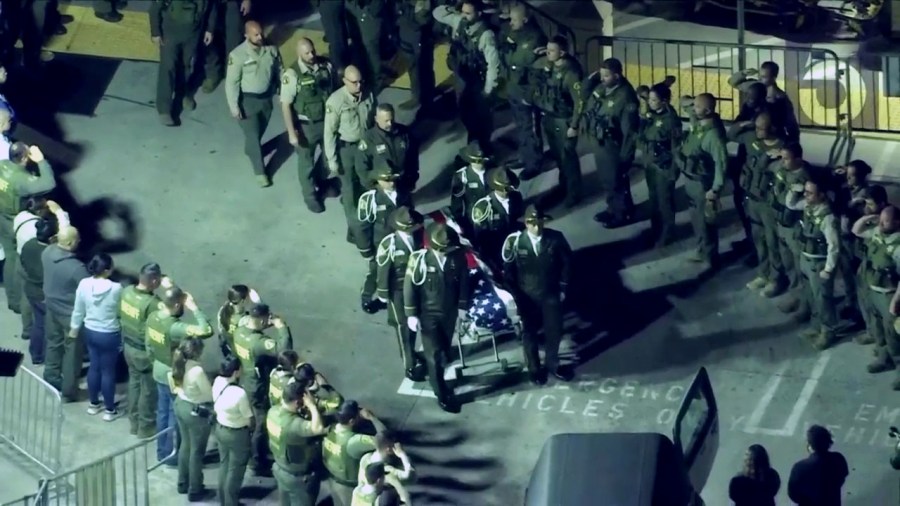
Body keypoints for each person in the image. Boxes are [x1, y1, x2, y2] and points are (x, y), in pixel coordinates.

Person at [501, 205, 573, 385]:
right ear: (526, 224)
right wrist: (515, 296)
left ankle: (553, 364)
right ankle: (534, 368)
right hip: (527, 296)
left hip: (551, 293)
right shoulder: (515, 243)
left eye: (540, 223)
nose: (537, 227)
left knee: (554, 331)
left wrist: (563, 287)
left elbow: (567, 263)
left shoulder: (555, 238)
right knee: (529, 334)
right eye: (532, 224)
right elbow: (508, 273)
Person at [403, 222, 471, 413]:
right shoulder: (419, 260)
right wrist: (411, 314)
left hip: (448, 314)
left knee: (444, 347)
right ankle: (441, 393)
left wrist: (462, 306)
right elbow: (410, 287)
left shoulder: (457, 257)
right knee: (435, 355)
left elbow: (464, 280)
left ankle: (425, 365)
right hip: (428, 315)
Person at [145, 284, 214, 465]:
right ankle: (172, 454)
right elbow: (206, 330)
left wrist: (155, 362)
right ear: (177, 305)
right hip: (172, 374)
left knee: (162, 411)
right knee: (173, 415)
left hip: (158, 369)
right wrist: (194, 308)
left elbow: (148, 345)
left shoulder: (153, 318)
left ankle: (162, 451)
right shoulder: (174, 327)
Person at [231, 303, 293, 476]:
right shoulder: (258, 342)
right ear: (262, 319)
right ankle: (257, 460)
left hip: (246, 380)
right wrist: (282, 328)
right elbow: (283, 350)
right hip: (257, 386)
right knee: (260, 422)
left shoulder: (239, 332)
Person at [728, 111, 786, 297]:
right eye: (758, 127)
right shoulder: (751, 137)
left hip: (768, 202)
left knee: (772, 242)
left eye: (763, 128)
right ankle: (763, 272)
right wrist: (746, 123)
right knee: (758, 239)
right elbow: (731, 134)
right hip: (752, 197)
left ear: (773, 128)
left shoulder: (782, 146)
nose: (759, 131)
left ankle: (776, 278)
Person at [578, 58, 640, 228]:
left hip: (613, 146)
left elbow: (630, 132)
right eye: (602, 74)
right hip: (600, 143)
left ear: (617, 76)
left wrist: (625, 156)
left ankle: (621, 214)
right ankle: (613, 208)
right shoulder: (602, 88)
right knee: (607, 180)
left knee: (615, 181)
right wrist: (591, 79)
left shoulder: (626, 98)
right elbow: (584, 95)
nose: (602, 78)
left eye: (606, 75)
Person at [433, 0, 500, 153]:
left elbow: (493, 64)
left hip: (478, 80)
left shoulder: (486, 35)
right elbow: (437, 13)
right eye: (463, 12)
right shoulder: (459, 21)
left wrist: (489, 90)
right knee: (465, 111)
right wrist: (453, 8)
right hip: (462, 76)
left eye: (468, 13)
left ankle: (483, 147)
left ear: (479, 14)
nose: (464, 16)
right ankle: (474, 142)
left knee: (481, 117)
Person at [280, 37, 338, 213]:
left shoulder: (326, 66)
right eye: (307, 53)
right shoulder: (292, 75)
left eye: (312, 51)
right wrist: (291, 132)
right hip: (307, 126)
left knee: (330, 156)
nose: (312, 55)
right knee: (306, 163)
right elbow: (286, 105)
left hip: (327, 122)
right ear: (299, 53)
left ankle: (321, 180)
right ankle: (310, 196)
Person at [0, 143, 56, 315]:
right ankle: (23, 304)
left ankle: (13, 299)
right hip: (15, 220)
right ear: (24, 157)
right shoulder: (21, 179)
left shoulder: (2, 166)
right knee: (20, 262)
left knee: (9, 258)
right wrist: (41, 161)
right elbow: (48, 183)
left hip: (2, 216)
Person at [225, 20, 282, 187]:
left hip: (266, 99)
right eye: (256, 34)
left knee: (259, 132)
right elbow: (232, 83)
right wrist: (234, 107)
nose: (260, 37)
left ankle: (251, 149)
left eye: (261, 33)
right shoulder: (238, 55)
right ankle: (260, 172)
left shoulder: (271, 49)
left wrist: (281, 90)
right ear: (246, 35)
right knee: (253, 135)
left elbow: (279, 69)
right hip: (247, 101)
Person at [324, 65, 377, 242]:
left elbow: (373, 120)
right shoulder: (336, 102)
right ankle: (354, 231)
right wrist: (332, 160)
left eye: (361, 81)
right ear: (345, 81)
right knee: (349, 191)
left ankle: (364, 220)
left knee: (366, 185)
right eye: (354, 82)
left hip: (366, 147)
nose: (359, 86)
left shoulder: (369, 94)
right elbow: (329, 132)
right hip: (347, 149)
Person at [786, 179, 841, 349]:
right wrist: (793, 190)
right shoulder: (809, 207)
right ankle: (816, 326)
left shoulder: (828, 218)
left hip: (819, 263)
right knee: (811, 296)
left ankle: (828, 331)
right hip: (806, 258)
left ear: (821, 195)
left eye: (810, 193)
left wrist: (828, 269)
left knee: (823, 299)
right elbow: (791, 204)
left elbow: (834, 246)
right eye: (806, 192)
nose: (806, 195)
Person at [676, 93, 728, 268]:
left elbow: (721, 163)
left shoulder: (713, 135)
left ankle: (710, 257)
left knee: (706, 221)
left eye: (698, 106)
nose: (694, 109)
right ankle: (702, 250)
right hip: (691, 179)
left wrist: (715, 189)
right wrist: (694, 102)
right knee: (696, 219)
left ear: (708, 110)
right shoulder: (700, 123)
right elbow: (683, 101)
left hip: (702, 184)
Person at [529, 36, 582, 204]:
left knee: (568, 159)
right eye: (547, 49)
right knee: (558, 157)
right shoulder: (549, 64)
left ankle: (573, 193)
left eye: (551, 50)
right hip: (550, 117)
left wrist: (574, 126)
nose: (547, 53)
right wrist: (536, 54)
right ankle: (563, 186)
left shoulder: (571, 73)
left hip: (563, 120)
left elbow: (579, 102)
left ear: (563, 52)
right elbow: (531, 67)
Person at [70, 253, 123, 420]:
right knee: (108, 371)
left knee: (94, 367)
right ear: (107, 270)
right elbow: (120, 311)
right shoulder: (116, 288)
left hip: (90, 331)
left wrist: (74, 328)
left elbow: (78, 309)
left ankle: (93, 404)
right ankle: (109, 410)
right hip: (109, 333)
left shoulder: (84, 284)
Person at [375, 207, 426, 380]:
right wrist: (383, 294)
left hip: (417, 288)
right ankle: (409, 365)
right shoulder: (389, 244)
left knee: (418, 323)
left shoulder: (420, 236)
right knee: (403, 327)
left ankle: (413, 353)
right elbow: (383, 271)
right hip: (397, 292)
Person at [356, 161, 412, 314]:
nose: (391, 183)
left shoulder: (404, 193)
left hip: (401, 239)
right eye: (386, 180)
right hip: (379, 243)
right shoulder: (371, 199)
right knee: (376, 272)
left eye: (393, 179)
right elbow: (362, 227)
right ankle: (367, 296)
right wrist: (366, 249)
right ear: (378, 180)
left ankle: (389, 296)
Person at [150, 0, 218, 126]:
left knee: (186, 65)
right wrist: (155, 31)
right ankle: (164, 109)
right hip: (170, 32)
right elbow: (155, 7)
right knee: (168, 67)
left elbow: (211, 7)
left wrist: (210, 29)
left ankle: (182, 95)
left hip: (193, 32)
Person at [853, 205, 900, 386]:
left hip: (889, 294)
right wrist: (869, 218)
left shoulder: (897, 247)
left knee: (894, 335)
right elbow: (856, 230)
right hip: (873, 290)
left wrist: (895, 302)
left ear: (897, 223)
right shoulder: (877, 234)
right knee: (877, 328)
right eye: (880, 220)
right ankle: (883, 357)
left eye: (885, 221)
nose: (880, 224)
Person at [14, 198, 69, 352]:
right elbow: (67, 234)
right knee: (50, 325)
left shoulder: (21, 220)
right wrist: (59, 213)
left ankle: (32, 342)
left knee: (36, 318)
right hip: (44, 289)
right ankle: (52, 351)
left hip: (28, 274)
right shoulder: (50, 253)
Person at [41, 226, 89, 402]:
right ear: (70, 243)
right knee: (72, 353)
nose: (79, 242)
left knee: (54, 343)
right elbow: (87, 289)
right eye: (77, 239)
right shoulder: (76, 268)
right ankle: (69, 390)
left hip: (51, 308)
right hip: (70, 315)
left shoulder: (47, 252)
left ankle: (51, 376)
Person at [498, 2, 545, 177]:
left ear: (525, 20)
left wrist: (508, 51)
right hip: (514, 87)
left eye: (514, 19)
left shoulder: (534, 37)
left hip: (527, 91)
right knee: (520, 126)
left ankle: (534, 162)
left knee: (530, 127)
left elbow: (517, 60)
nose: (511, 23)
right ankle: (524, 156)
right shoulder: (515, 32)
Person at [119, 262, 164, 438]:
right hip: (144, 354)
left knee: (134, 384)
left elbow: (118, 315)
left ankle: (134, 422)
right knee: (148, 391)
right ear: (153, 281)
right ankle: (145, 427)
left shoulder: (126, 292)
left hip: (128, 347)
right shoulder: (152, 303)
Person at [267, 379, 329, 506]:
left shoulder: (272, 412)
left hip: (280, 468)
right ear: (297, 402)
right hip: (297, 477)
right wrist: (311, 406)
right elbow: (318, 428)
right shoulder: (294, 425)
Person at [636, 82, 682, 246]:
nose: (650, 102)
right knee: (653, 200)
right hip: (650, 164)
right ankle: (656, 230)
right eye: (650, 99)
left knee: (664, 201)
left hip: (664, 167)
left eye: (654, 100)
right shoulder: (651, 115)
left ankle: (667, 233)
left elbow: (676, 147)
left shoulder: (671, 120)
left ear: (664, 101)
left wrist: (673, 171)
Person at [170, 338, 215, 501]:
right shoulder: (197, 371)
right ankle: (195, 489)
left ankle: (182, 483)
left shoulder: (178, 363)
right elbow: (209, 394)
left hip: (180, 404)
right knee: (197, 452)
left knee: (185, 446)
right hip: (195, 411)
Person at [324, 400, 387, 506]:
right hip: (348, 485)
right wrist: (372, 418)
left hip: (333, 478)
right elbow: (384, 439)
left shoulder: (330, 428)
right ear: (351, 421)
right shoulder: (354, 441)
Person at [212, 356, 253, 506]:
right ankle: (231, 502)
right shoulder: (239, 393)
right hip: (237, 434)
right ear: (236, 372)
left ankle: (223, 499)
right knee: (235, 470)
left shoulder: (217, 382)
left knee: (224, 464)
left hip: (220, 428)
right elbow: (248, 417)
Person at [729, 61, 800, 143]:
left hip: (769, 138)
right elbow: (733, 82)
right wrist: (744, 73)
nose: (760, 79)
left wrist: (793, 146)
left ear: (773, 77)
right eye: (760, 76)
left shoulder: (780, 98)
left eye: (764, 77)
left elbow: (791, 125)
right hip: (749, 135)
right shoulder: (754, 86)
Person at [356, 103, 419, 192]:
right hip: (381, 187)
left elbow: (413, 157)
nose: (390, 124)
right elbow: (361, 169)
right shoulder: (369, 139)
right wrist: (378, 181)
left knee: (405, 205)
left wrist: (412, 179)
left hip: (403, 183)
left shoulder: (404, 133)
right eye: (386, 121)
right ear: (376, 119)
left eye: (392, 120)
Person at [471, 166, 523, 272]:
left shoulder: (516, 197)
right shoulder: (483, 208)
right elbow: (481, 239)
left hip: (513, 244)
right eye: (507, 188)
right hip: (496, 248)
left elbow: (517, 218)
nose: (510, 191)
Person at [19, 218, 56, 365]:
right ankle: (46, 356)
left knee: (38, 323)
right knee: (48, 327)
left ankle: (36, 354)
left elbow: (22, 262)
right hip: (44, 293)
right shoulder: (49, 253)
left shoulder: (29, 245)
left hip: (31, 289)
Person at [787, 424, 849, 506]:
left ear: (810, 444)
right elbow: (842, 477)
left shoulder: (799, 467)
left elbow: (793, 493)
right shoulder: (838, 459)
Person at [394, 0, 435, 110]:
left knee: (419, 67)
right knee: (415, 66)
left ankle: (420, 97)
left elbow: (422, 19)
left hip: (417, 35)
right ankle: (427, 94)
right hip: (407, 33)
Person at [201, 0, 248, 93]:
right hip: (210, 4)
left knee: (234, 40)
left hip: (233, 3)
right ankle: (213, 74)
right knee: (209, 41)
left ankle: (232, 75)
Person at [357, 433, 414, 505]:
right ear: (388, 449)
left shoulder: (365, 458)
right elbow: (409, 475)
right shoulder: (387, 471)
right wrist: (402, 455)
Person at [344, 0, 388, 90]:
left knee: (370, 48)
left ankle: (376, 79)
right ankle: (364, 74)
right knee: (357, 43)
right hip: (353, 6)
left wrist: (373, 11)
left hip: (368, 8)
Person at [449, 142, 491, 236]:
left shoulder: (493, 172)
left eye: (480, 160)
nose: (479, 164)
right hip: (474, 219)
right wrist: (460, 222)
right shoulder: (462, 176)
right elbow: (457, 203)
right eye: (476, 161)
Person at [216, 284, 262, 359]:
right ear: (243, 301)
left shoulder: (223, 311)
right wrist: (259, 303)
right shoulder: (245, 320)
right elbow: (262, 323)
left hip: (228, 347)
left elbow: (221, 330)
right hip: (241, 353)